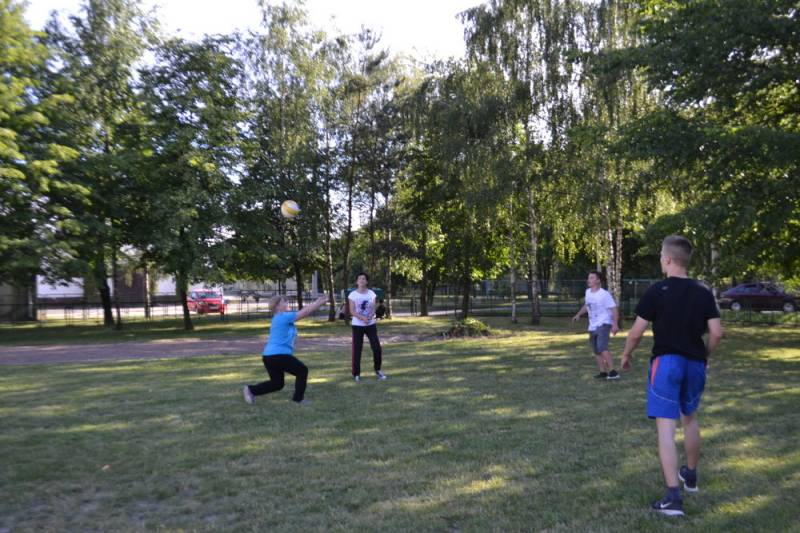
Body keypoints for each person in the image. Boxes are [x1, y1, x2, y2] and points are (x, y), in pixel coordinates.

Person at [620, 235, 723, 516]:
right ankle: (690, 475)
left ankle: (673, 498)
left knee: (666, 428)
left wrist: (626, 355)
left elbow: (636, 333)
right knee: (690, 419)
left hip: (666, 364)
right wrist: (705, 356)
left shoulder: (657, 290)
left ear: (667, 259)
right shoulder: (704, 291)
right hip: (695, 364)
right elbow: (716, 333)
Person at [242, 293, 328, 406]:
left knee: (277, 384)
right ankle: (298, 399)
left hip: (269, 357)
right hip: (278, 356)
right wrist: (318, 303)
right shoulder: (283, 317)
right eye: (284, 301)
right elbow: (305, 312)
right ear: (277, 306)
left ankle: (251, 390)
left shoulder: (279, 318)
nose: (287, 303)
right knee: (302, 370)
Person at [572, 270, 621, 380]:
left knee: (602, 347)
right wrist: (578, 314)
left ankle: (613, 372)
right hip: (592, 325)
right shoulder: (588, 292)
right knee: (596, 350)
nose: (588, 280)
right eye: (588, 278)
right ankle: (603, 372)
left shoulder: (604, 294)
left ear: (598, 280)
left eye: (592, 278)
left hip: (604, 323)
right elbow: (587, 305)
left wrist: (615, 324)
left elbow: (614, 309)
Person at [349, 273, 386, 382]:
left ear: (367, 281)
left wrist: (369, 317)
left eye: (364, 279)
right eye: (359, 278)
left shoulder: (371, 294)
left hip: (370, 325)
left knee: (377, 348)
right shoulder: (352, 295)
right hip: (357, 325)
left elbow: (373, 308)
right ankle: (356, 374)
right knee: (357, 349)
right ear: (357, 282)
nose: (361, 280)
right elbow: (352, 311)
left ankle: (378, 370)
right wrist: (362, 318)